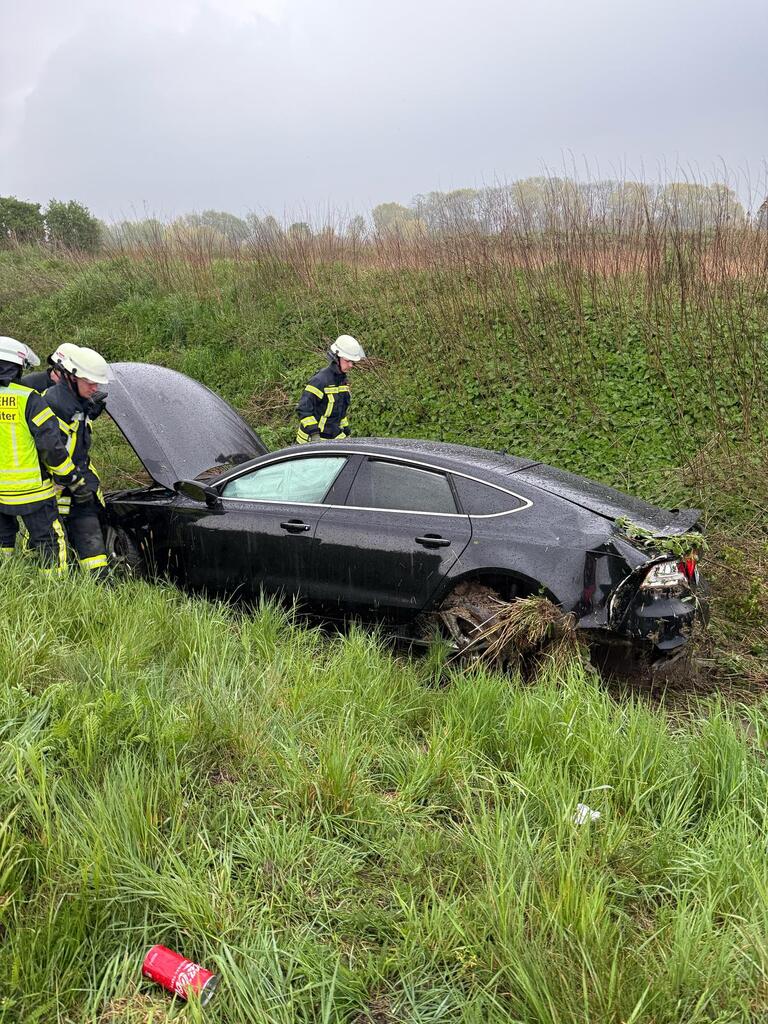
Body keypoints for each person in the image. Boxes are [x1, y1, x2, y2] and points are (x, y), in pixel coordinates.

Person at [0, 336, 89, 570]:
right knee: (49, 541)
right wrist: (69, 477)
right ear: (16, 368)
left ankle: (6, 577)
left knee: (3, 540)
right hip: (31, 490)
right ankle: (54, 587)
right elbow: (51, 446)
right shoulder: (29, 399)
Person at [43, 345, 112, 578]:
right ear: (72, 377)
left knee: (93, 547)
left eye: (97, 383)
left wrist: (89, 412)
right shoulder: (53, 405)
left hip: (79, 484)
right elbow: (53, 453)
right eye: (90, 382)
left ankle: (101, 583)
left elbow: (77, 444)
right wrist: (74, 483)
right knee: (50, 547)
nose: (95, 388)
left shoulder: (77, 401)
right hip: (56, 489)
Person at [295, 335, 366, 444]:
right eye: (347, 361)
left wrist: (346, 429)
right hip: (309, 441)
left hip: (332, 439)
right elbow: (303, 409)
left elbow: (340, 412)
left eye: (352, 362)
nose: (351, 365)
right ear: (336, 358)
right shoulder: (320, 381)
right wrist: (314, 434)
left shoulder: (343, 382)